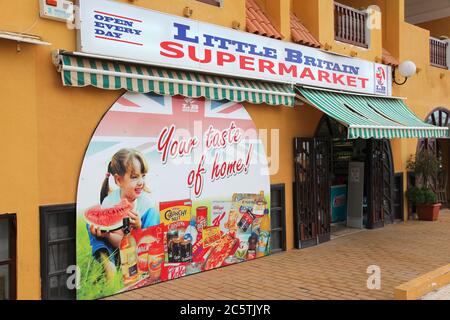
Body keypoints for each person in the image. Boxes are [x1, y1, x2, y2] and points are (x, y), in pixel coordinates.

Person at [87, 148, 159, 281]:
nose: (140, 182)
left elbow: (137, 242)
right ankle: (108, 261)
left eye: (143, 176)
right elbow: (120, 241)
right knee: (90, 224)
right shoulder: (109, 202)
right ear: (119, 180)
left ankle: (147, 264)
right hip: (119, 249)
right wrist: (106, 234)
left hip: (139, 252)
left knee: (153, 214)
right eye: (134, 177)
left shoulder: (145, 205)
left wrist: (138, 228)